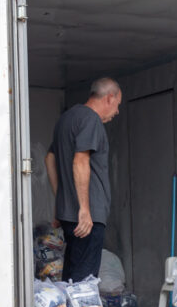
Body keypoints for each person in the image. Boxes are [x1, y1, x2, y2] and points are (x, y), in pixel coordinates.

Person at [45, 77, 122, 282]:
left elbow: (50, 158)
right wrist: (85, 210)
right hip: (87, 218)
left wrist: (61, 201)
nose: (117, 111)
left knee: (71, 277)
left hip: (69, 216)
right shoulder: (91, 120)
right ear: (109, 98)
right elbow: (80, 160)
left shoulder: (67, 118)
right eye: (117, 105)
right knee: (84, 283)